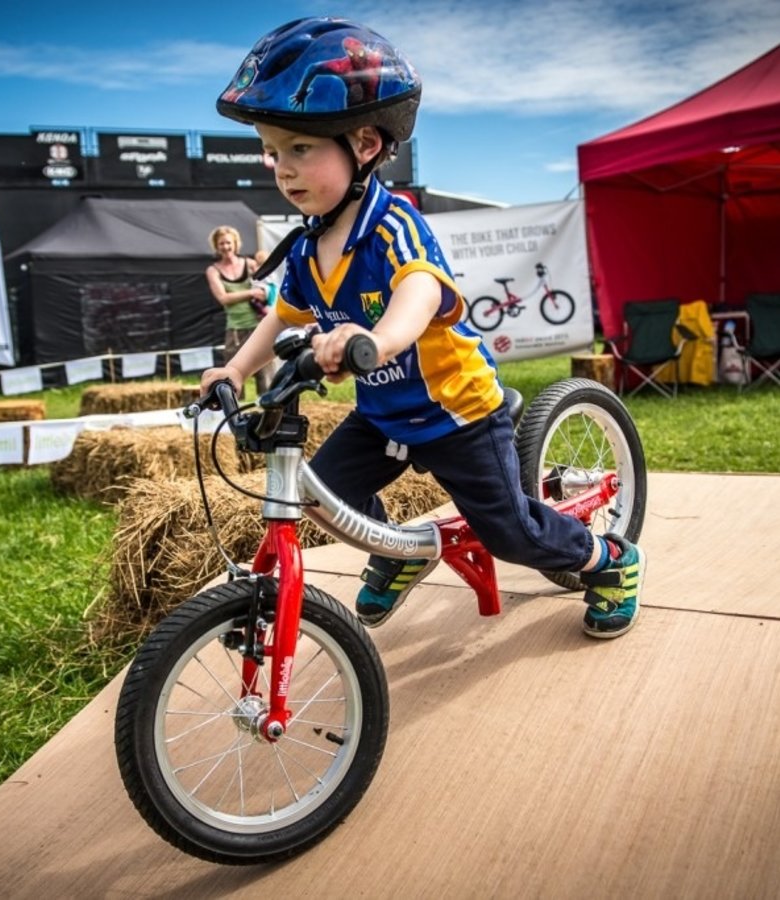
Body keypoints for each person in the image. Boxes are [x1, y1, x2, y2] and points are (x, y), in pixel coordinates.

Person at [201, 17, 644, 638]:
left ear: (364, 145)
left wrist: (377, 340)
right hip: (385, 413)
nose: (282, 167)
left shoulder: (393, 225)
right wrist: (235, 368)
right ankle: (401, 549)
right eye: (273, 151)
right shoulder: (305, 248)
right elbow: (283, 312)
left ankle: (609, 561)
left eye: (300, 148)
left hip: (457, 414)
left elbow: (419, 291)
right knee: (322, 496)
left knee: (510, 533)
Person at [205, 225, 272, 397]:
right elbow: (223, 298)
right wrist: (251, 292)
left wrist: (264, 293)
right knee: (231, 377)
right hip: (235, 329)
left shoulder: (250, 264)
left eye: (228, 243)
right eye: (221, 244)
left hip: (259, 326)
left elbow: (267, 288)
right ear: (216, 246)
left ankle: (266, 414)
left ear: (235, 243)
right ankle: (235, 413)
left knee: (265, 376)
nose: (226, 247)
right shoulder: (213, 270)